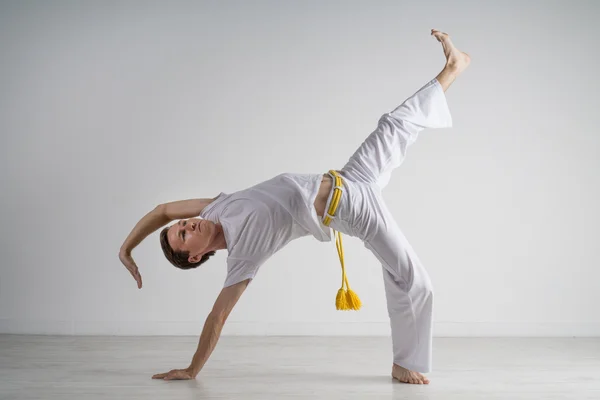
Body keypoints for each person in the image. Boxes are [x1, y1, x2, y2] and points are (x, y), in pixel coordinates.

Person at [119, 29, 470, 385]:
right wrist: (193, 369)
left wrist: (127, 249)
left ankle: (453, 67)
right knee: (416, 283)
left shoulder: (215, 208)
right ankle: (405, 363)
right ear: (194, 257)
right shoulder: (243, 255)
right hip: (355, 211)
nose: (187, 225)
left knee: (394, 124)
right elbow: (217, 317)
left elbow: (163, 210)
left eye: (183, 224)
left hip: (352, 177)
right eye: (182, 236)